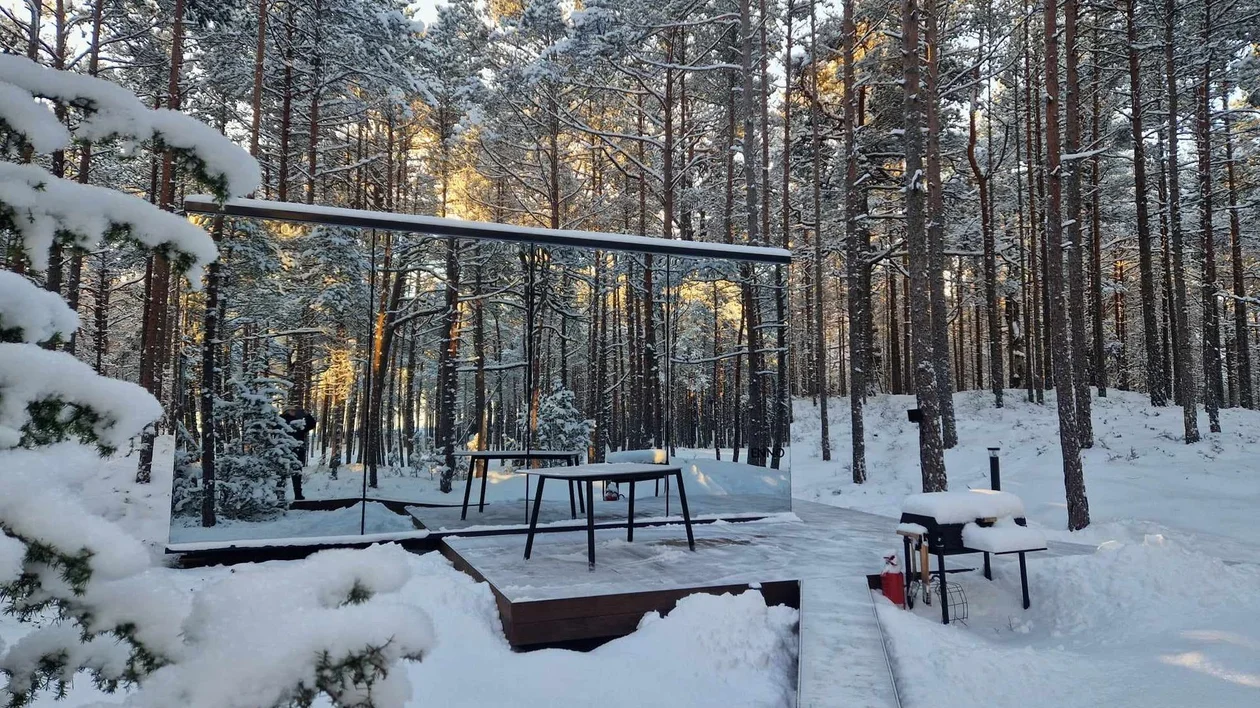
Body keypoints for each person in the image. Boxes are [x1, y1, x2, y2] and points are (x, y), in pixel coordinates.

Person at [281, 407, 316, 501]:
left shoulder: (299, 423)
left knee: (295, 474)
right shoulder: (281, 421)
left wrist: (307, 415)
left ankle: (297, 495)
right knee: (285, 474)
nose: (294, 412)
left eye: (295, 411)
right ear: (286, 411)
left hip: (295, 451)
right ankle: (284, 495)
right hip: (286, 451)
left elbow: (311, 425)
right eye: (292, 410)